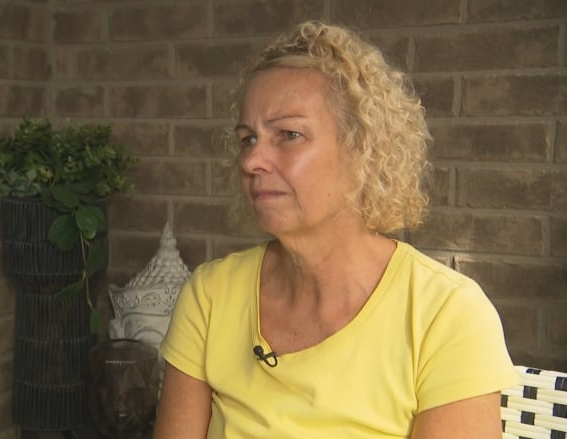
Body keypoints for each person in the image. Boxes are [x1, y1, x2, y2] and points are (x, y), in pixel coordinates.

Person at [153, 21, 518, 439]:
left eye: (289, 135)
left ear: (363, 150)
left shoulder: (445, 315)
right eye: (247, 138)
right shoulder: (210, 295)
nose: (251, 161)